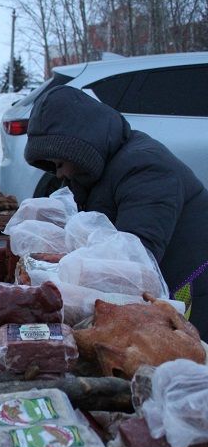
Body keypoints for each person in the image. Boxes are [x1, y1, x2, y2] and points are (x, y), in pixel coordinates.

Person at [24, 85, 208, 339]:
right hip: (157, 290)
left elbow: (136, 260)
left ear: (77, 149)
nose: (59, 174)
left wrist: (68, 267)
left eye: (59, 163)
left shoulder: (146, 167)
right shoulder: (96, 169)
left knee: (185, 360)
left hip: (187, 289)